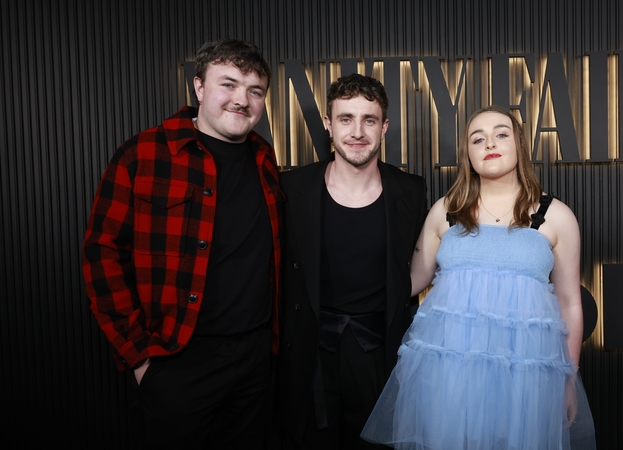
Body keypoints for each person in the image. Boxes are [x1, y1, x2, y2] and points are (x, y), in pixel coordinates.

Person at [82, 38, 281, 448]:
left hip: (255, 360)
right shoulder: (143, 154)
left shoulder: (265, 159)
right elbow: (101, 254)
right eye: (228, 84)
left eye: (254, 90)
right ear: (199, 87)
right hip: (177, 361)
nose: (241, 100)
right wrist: (140, 357)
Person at [361, 106, 596, 449]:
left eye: (501, 134)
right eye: (478, 138)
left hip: (525, 376)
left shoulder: (556, 217)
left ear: (519, 144)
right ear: (467, 154)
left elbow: (570, 303)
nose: (489, 143)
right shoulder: (445, 211)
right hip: (449, 375)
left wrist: (568, 379)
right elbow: (411, 281)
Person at [278, 73, 428, 449]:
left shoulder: (410, 191)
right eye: (346, 119)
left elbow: (422, 268)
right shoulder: (292, 189)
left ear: (384, 127)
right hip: (310, 354)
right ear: (329, 125)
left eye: (369, 120)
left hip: (381, 351)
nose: (357, 131)